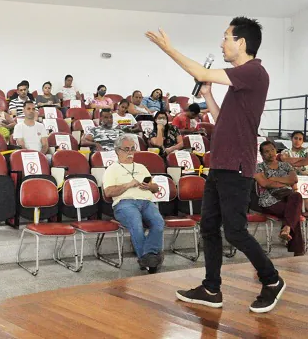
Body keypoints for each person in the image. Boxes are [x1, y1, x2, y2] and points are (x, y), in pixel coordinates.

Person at [147, 16, 285, 313]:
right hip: (221, 165)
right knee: (209, 227)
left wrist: (169, 49)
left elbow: (198, 69)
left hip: (236, 165)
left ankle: (272, 280)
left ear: (241, 43)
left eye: (226, 37)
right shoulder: (241, 81)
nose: (221, 42)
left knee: (234, 231)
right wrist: (208, 94)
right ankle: (211, 288)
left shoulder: (253, 72)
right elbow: (224, 121)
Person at [103, 135, 165, 273]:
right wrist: (128, 185)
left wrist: (149, 187)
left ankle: (148, 257)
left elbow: (156, 188)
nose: (130, 152)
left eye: (132, 149)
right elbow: (108, 192)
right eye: (126, 149)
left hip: (146, 202)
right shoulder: (111, 169)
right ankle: (151, 259)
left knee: (158, 222)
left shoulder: (141, 167)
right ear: (117, 151)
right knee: (136, 224)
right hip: (125, 203)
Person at [254, 141, 304, 256]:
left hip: (288, 196)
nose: (270, 153)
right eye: (266, 152)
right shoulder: (259, 167)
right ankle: (297, 251)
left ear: (276, 150)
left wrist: (273, 178)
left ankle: (287, 228)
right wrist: (284, 181)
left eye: (272, 150)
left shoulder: (285, 165)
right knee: (293, 212)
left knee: (296, 195)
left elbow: (294, 180)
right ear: (262, 155)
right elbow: (264, 183)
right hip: (269, 199)